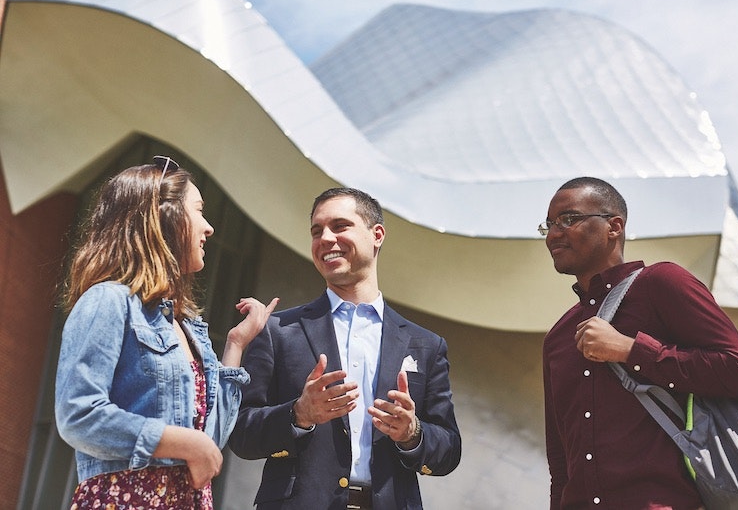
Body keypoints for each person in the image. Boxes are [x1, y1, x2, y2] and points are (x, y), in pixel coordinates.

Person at [55, 156, 279, 509]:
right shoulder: (108, 300)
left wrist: (236, 344)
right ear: (163, 218)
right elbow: (78, 415)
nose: (209, 228)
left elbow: (211, 443)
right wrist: (182, 442)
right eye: (199, 211)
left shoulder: (189, 327)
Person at [229, 187, 461, 510]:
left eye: (339, 226)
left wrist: (413, 432)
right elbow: (240, 432)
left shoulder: (427, 345)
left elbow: (449, 450)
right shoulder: (277, 332)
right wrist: (299, 414)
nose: (325, 238)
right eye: (316, 231)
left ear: (377, 234)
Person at [541, 176, 738, 510]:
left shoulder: (662, 284)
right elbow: (560, 458)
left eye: (569, 219)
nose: (555, 234)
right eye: (549, 224)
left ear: (614, 226)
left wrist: (631, 350)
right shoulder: (557, 338)